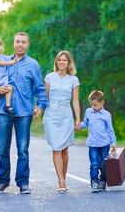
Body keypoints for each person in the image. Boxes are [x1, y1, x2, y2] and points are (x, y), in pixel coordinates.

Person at [0, 32, 48, 194]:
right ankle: (2, 181)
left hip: (24, 112)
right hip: (3, 111)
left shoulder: (33, 65)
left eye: (23, 42)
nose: (20, 44)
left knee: (22, 149)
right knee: (2, 149)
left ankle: (23, 183)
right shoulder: (3, 61)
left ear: (27, 45)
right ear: (13, 44)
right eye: (17, 42)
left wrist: (40, 106)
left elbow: (40, 89)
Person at [43, 50, 80, 193]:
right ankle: (61, 181)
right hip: (51, 115)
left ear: (69, 62)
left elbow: (75, 101)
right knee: (56, 148)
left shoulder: (73, 80)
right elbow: (44, 98)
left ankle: (63, 178)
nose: (61, 62)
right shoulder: (49, 78)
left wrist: (78, 119)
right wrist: (38, 109)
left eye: (64, 60)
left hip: (66, 115)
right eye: (59, 60)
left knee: (65, 149)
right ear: (56, 62)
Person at [78, 90, 117, 193]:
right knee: (94, 164)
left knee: (103, 165)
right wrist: (79, 126)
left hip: (104, 144)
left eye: (95, 105)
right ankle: (94, 182)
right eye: (91, 105)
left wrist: (113, 143)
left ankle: (102, 181)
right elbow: (85, 123)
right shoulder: (88, 111)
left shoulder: (106, 115)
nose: (93, 107)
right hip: (92, 144)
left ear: (102, 103)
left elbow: (110, 129)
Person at [0, 37, 18, 115]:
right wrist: (11, 62)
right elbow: (0, 63)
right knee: (9, 88)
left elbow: (8, 58)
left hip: (1, 77)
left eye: (0, 45)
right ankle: (7, 106)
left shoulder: (1, 56)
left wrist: (14, 55)